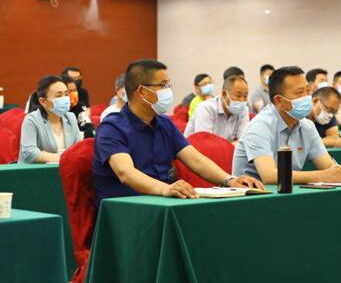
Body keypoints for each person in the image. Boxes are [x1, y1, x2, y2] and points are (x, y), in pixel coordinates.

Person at [93, 60, 263, 205]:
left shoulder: (164, 123)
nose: (168, 91)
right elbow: (125, 173)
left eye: (169, 85)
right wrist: (165, 189)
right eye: (163, 85)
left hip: (163, 202)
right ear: (142, 91)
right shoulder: (112, 128)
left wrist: (230, 180)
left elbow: (195, 160)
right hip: (126, 207)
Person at [233, 66, 341, 184]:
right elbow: (269, 176)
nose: (307, 97)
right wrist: (322, 176)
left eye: (307, 91)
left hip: (286, 195)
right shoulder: (260, 126)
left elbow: (329, 167)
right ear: (279, 100)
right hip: (252, 195)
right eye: (299, 92)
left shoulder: (307, 127)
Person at [20, 75, 83, 164]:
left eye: (66, 94)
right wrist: (63, 157)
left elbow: (79, 149)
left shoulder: (71, 117)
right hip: (36, 171)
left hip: (65, 170)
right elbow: (29, 153)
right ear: (43, 101)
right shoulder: (31, 120)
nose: (65, 99)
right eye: (59, 95)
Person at [184, 74, 250, 143]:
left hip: (225, 148)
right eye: (238, 95)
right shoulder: (206, 108)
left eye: (245, 96)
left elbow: (243, 141)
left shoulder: (243, 109)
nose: (242, 100)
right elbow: (204, 143)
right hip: (194, 148)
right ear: (224, 94)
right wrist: (234, 145)